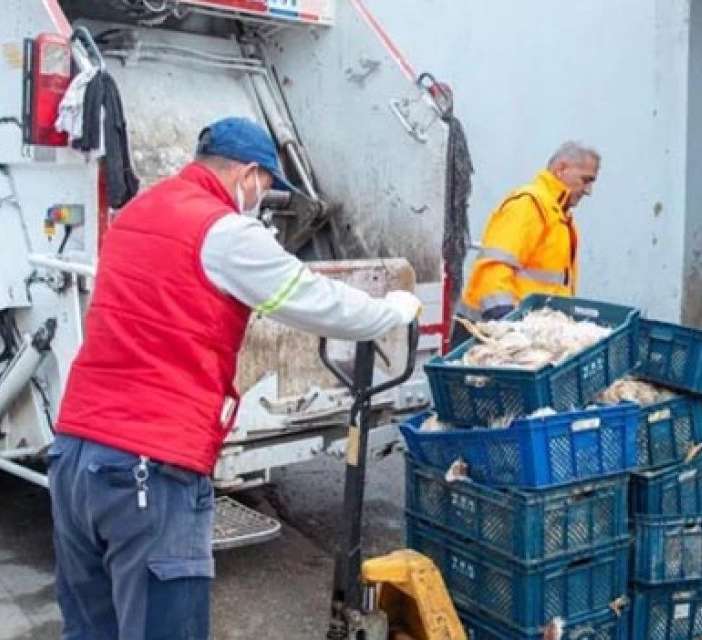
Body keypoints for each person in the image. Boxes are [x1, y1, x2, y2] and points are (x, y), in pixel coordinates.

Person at [47, 116, 421, 639]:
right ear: (248, 175)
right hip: (149, 466)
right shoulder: (223, 230)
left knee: (91, 632)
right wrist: (392, 312)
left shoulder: (137, 213)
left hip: (76, 458)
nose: (263, 201)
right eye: (266, 188)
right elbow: (312, 300)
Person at [451, 141, 600, 346]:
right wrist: (506, 323)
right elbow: (494, 267)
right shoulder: (529, 205)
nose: (588, 190)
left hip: (523, 335)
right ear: (561, 169)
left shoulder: (558, 216)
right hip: (489, 334)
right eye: (586, 180)